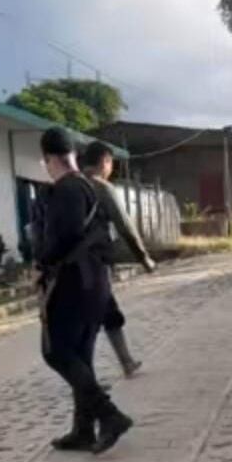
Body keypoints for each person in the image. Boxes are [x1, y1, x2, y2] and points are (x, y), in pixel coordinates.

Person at [37, 127, 131, 454]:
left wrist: (42, 262)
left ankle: (109, 415)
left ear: (48, 158)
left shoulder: (65, 190)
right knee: (81, 355)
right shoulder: (91, 186)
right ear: (73, 155)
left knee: (56, 352)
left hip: (72, 282)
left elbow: (64, 237)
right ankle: (83, 429)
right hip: (96, 281)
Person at [80, 141, 156, 378]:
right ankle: (96, 375)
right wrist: (143, 258)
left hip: (65, 265)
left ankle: (123, 363)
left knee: (92, 317)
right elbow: (125, 226)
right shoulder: (101, 188)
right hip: (94, 263)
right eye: (111, 163)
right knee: (106, 313)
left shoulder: (69, 185)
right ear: (105, 161)